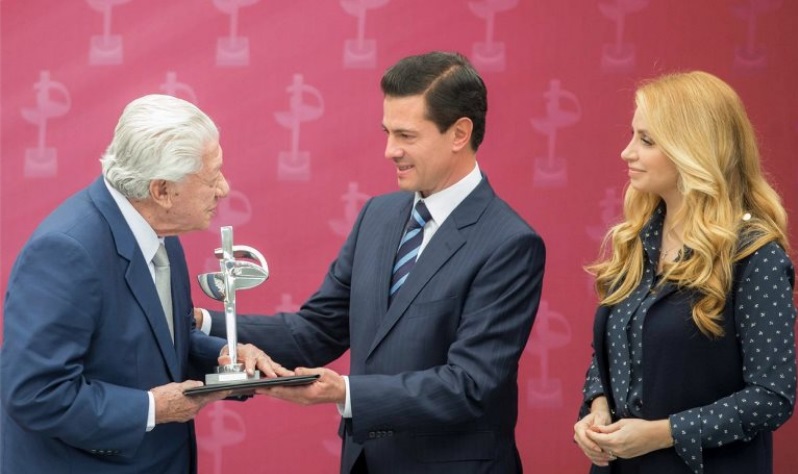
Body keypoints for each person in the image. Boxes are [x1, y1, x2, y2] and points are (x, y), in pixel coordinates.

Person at [197, 51, 546, 473]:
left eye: (406, 136)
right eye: (387, 132)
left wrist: (345, 393)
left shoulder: (509, 244)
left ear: (459, 133)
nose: (389, 151)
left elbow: (469, 385)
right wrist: (203, 323)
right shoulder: (377, 216)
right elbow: (315, 330)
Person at [0, 94, 280, 473]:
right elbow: (35, 393)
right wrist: (152, 408)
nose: (224, 188)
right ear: (161, 191)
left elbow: (161, 340)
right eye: (212, 176)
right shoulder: (65, 251)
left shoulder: (160, 229)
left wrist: (224, 356)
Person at [573, 71, 796, 474]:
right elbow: (615, 353)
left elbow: (771, 397)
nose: (626, 152)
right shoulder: (636, 241)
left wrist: (665, 433)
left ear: (692, 150)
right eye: (632, 135)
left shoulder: (754, 255)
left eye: (646, 140)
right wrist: (597, 407)